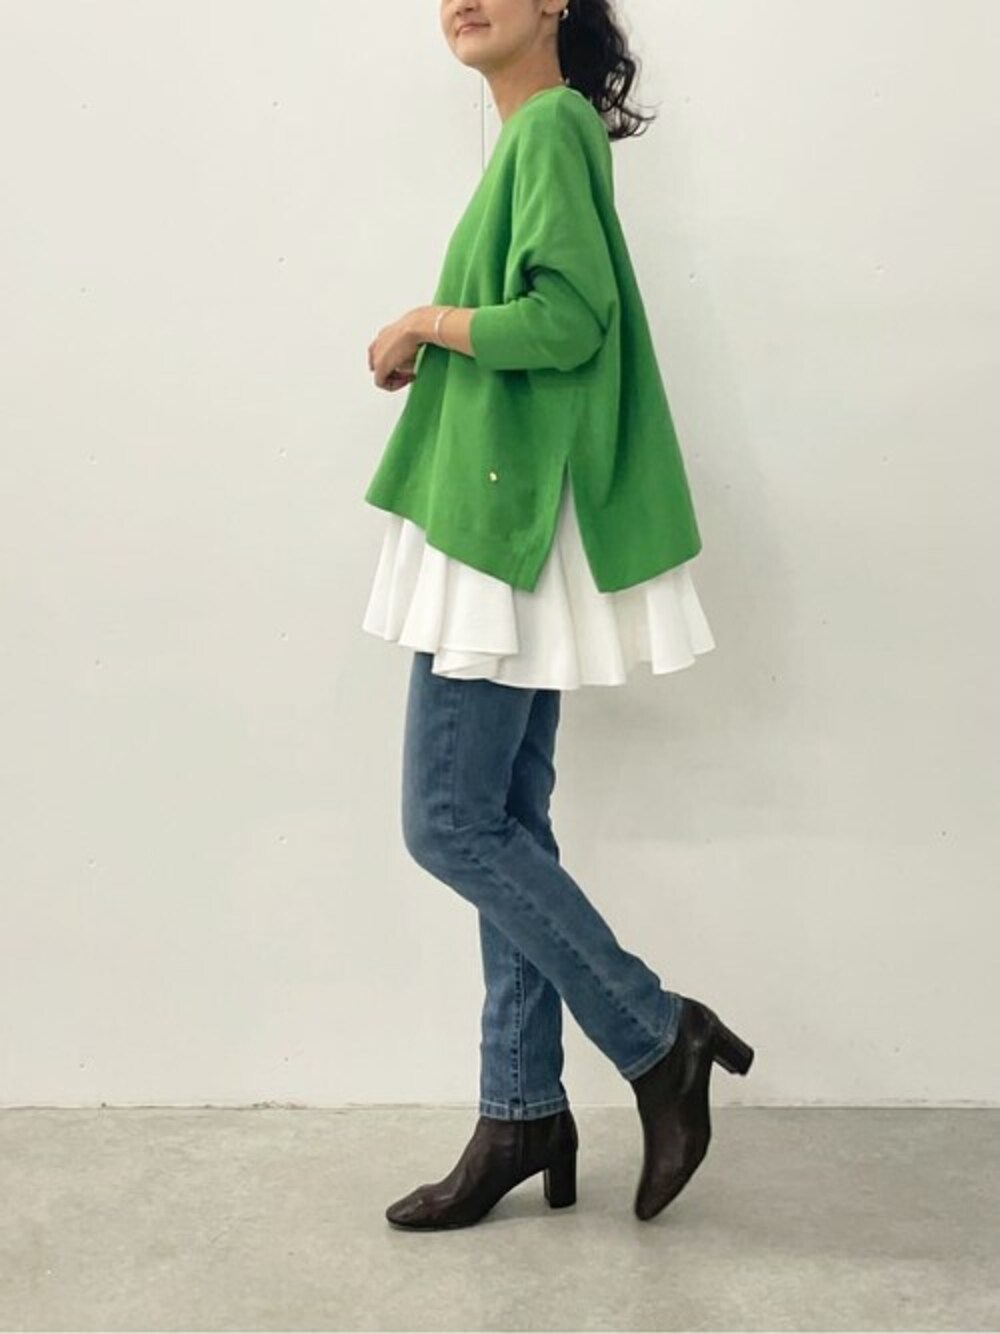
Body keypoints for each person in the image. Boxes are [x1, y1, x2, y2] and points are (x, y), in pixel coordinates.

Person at [362, 0, 754, 1230]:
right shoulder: (546, 132)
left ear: (555, 6)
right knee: (505, 821)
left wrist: (427, 320)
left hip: (503, 521)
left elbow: (568, 320)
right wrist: (448, 345)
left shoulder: (544, 131)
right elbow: (544, 323)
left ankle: (655, 1031)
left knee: (447, 820)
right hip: (510, 512)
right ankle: (520, 1108)